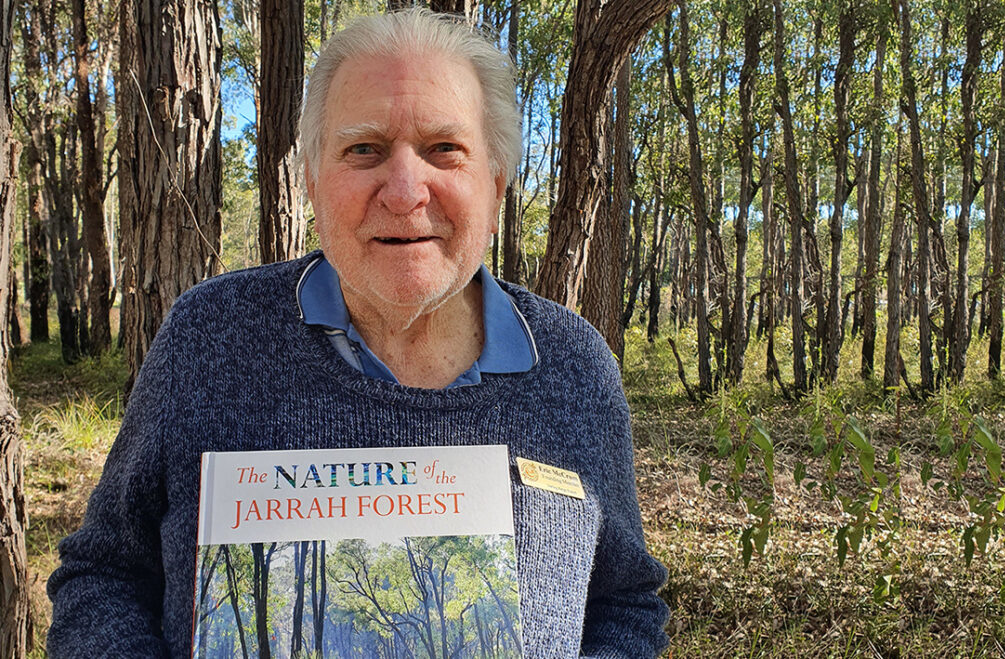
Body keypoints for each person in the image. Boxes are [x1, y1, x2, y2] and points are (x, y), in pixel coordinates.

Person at [47, 9, 668, 657]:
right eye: (364, 148)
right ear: (313, 179)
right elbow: (105, 572)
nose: (404, 191)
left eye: (443, 149)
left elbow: (624, 600)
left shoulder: (572, 362)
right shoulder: (210, 335)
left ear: (495, 183)